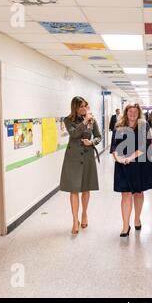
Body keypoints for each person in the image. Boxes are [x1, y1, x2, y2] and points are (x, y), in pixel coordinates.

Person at [110, 103, 152, 237]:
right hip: (123, 165)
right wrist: (118, 158)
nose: (132, 114)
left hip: (139, 163)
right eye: (130, 112)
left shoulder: (144, 126)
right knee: (125, 194)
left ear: (139, 114)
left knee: (138, 193)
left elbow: (144, 146)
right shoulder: (118, 127)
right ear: (126, 113)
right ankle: (125, 226)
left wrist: (130, 157)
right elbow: (113, 147)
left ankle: (137, 218)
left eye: (135, 112)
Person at [60, 96, 102, 235]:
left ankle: (84, 213)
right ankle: (74, 220)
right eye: (81, 106)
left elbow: (98, 136)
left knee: (85, 188)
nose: (84, 108)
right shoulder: (68, 120)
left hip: (87, 156)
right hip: (73, 158)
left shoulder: (92, 120)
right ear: (75, 108)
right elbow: (73, 133)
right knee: (74, 189)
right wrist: (84, 121)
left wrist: (92, 142)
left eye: (85, 105)